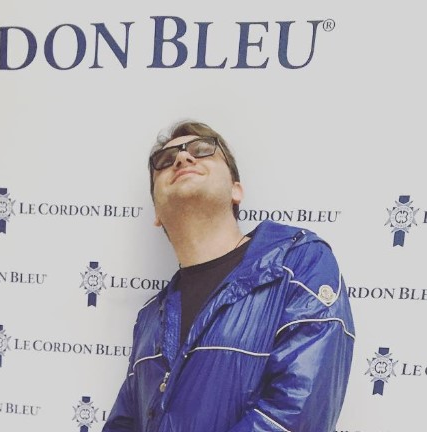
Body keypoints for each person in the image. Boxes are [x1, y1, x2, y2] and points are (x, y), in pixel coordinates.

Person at [103, 121, 355, 432]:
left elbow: (296, 415)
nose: (182, 158)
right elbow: (123, 423)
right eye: (165, 161)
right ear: (156, 211)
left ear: (237, 190)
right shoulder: (151, 317)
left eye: (202, 150)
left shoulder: (297, 263)